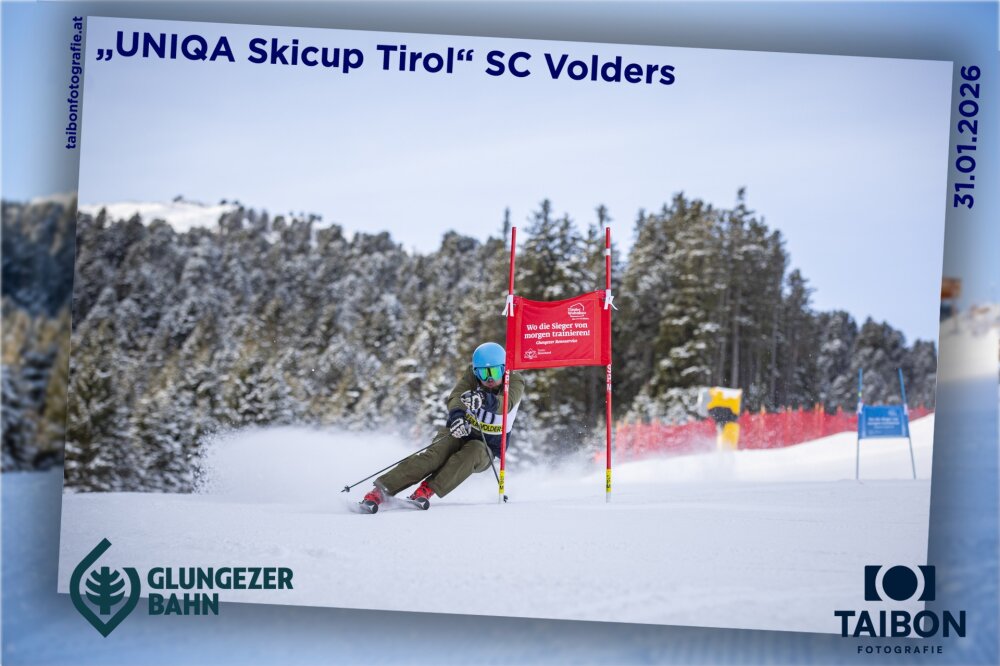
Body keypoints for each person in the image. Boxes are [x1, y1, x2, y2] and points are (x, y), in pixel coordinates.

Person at [359, 342, 525, 513]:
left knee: (474, 450)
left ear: (504, 369)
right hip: (461, 431)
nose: (489, 379)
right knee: (435, 455)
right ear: (476, 372)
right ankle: (381, 491)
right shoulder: (472, 376)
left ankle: (426, 490)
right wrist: (458, 418)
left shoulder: (514, 380)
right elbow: (456, 396)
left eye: (495, 372)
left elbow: (506, 403)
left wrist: (484, 399)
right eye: (484, 373)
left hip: (487, 447)